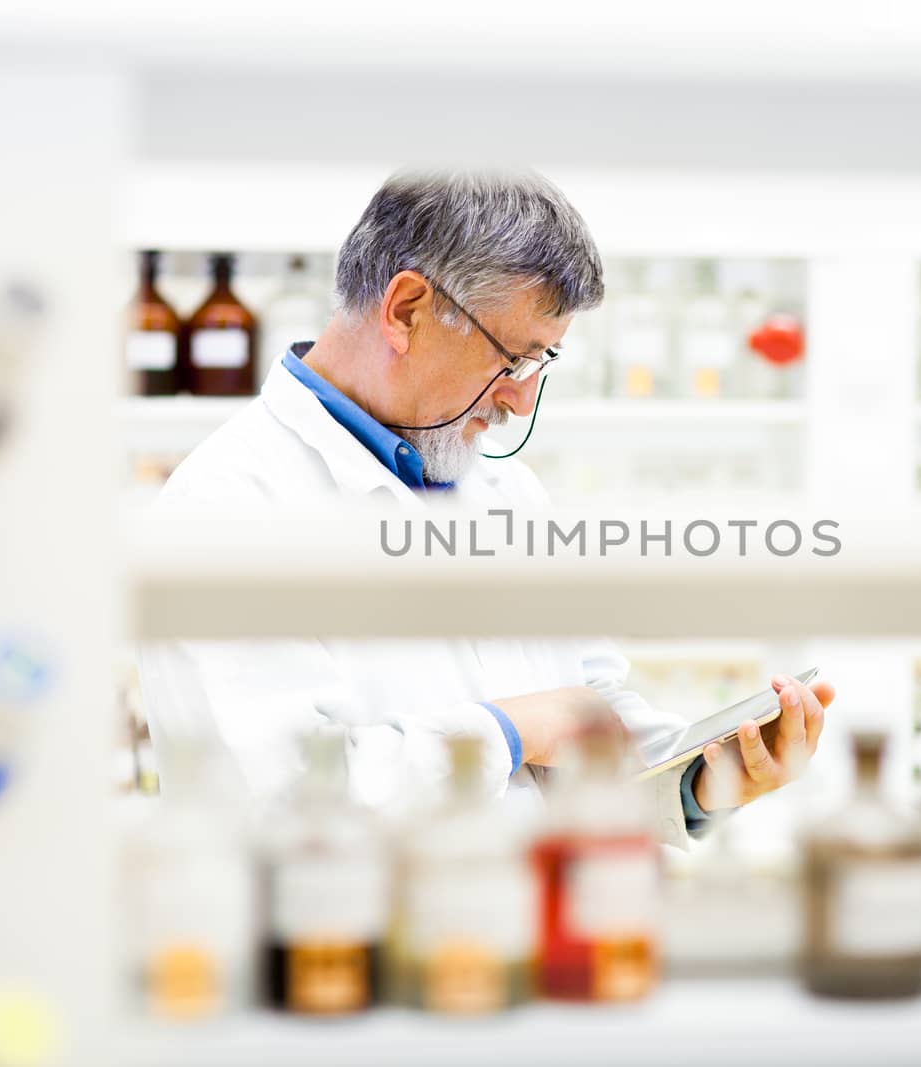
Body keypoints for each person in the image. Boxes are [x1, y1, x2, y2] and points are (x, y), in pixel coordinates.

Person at [138, 170, 834, 846]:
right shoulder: (227, 505)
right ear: (406, 309)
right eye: (512, 359)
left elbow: (587, 714)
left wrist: (704, 781)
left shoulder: (508, 493)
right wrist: (503, 731)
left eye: (541, 364)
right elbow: (272, 799)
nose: (521, 399)